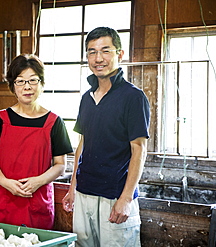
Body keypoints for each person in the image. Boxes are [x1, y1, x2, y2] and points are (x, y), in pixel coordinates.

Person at [62, 27, 150, 246]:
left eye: (105, 51)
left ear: (120, 54)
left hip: (114, 196)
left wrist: (126, 199)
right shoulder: (86, 98)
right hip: (84, 194)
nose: (98, 58)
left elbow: (139, 149)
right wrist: (73, 187)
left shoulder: (133, 97)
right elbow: (83, 143)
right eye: (92, 52)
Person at [0, 54, 73, 230]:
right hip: (2, 198)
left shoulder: (54, 122)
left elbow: (60, 164)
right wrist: (6, 182)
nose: (27, 87)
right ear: (13, 86)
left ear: (42, 84)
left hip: (36, 201)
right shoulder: (0, 119)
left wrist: (38, 181)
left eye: (33, 81)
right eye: (20, 81)